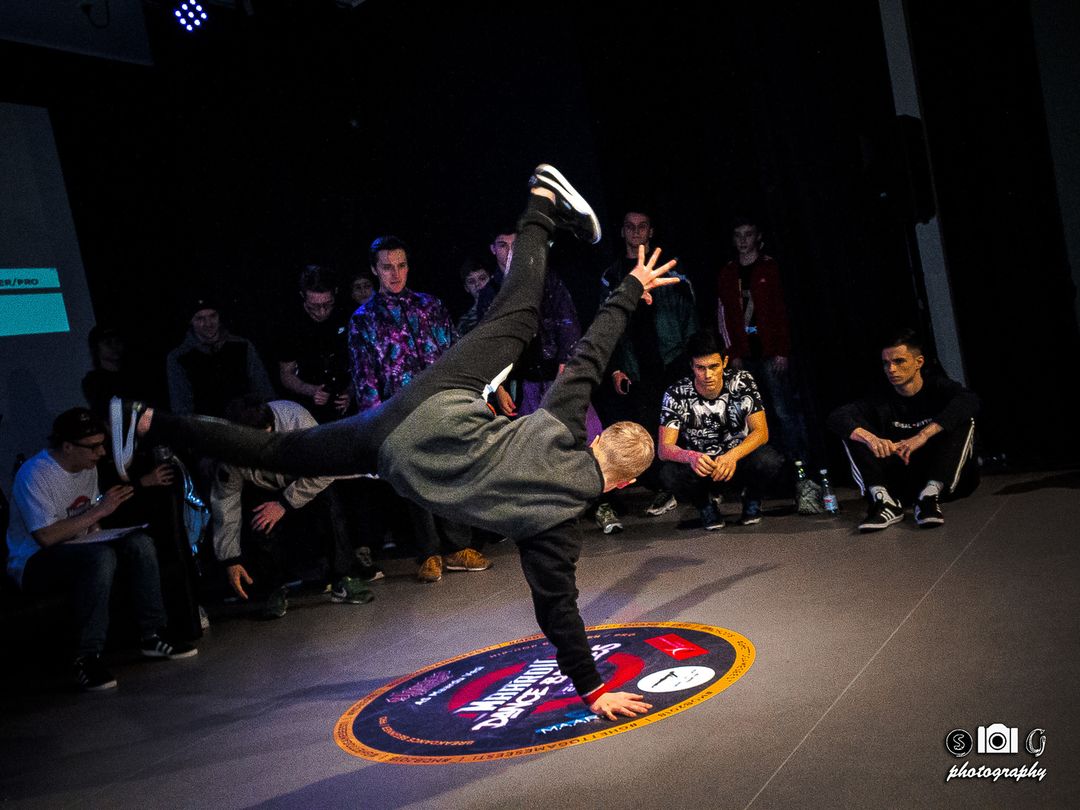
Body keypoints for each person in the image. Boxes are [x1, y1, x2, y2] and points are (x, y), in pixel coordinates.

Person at [113, 164, 677, 720]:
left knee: (518, 310)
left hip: (432, 396)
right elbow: (558, 612)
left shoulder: (562, 425)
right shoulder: (555, 529)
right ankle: (149, 422)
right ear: (624, 482)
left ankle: (541, 201)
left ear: (598, 439)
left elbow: (591, 352)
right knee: (276, 453)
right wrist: (593, 690)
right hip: (388, 447)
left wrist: (631, 286)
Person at [6, 408, 196, 691]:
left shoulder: (87, 467)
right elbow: (46, 536)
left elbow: (87, 519)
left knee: (139, 543)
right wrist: (100, 512)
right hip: (34, 560)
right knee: (100, 557)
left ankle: (153, 634)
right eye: (93, 447)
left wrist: (101, 530)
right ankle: (87, 657)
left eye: (102, 444)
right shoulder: (34, 474)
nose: (101, 452)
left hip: (78, 545)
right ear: (67, 447)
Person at [350, 235, 490, 583]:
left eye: (401, 266)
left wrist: (465, 394)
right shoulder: (364, 320)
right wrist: (375, 422)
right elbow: (365, 376)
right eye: (387, 267)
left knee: (451, 470)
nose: (395, 274)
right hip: (399, 413)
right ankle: (428, 551)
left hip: (440, 403)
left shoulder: (429, 305)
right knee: (415, 481)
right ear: (375, 270)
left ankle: (458, 545)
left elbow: (453, 351)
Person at [210, 397, 373, 618]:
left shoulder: (297, 421)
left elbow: (326, 468)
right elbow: (225, 501)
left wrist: (284, 503)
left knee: (330, 505)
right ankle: (273, 589)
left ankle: (343, 577)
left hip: (305, 479)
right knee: (259, 520)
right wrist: (230, 558)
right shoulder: (230, 451)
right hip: (263, 486)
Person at [827, 329, 979, 531]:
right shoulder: (880, 397)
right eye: (886, 363)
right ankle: (883, 501)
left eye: (899, 361)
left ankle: (929, 497)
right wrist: (871, 438)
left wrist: (923, 435)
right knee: (854, 432)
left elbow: (970, 400)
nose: (891, 369)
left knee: (963, 419)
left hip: (939, 475)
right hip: (901, 477)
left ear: (918, 362)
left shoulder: (937, 387)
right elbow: (837, 416)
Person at [600, 208, 698, 520]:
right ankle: (664, 488)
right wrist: (616, 366)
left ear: (651, 231)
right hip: (637, 364)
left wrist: (693, 357)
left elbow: (689, 315)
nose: (636, 232)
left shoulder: (670, 269)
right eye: (630, 226)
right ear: (622, 231)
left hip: (672, 358)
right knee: (648, 427)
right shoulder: (613, 275)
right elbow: (606, 324)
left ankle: (699, 485)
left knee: (685, 424)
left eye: (642, 226)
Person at [657, 331, 785, 529]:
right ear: (691, 366)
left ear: (724, 362)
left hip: (738, 460)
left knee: (769, 459)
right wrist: (691, 456)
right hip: (703, 466)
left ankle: (752, 498)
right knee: (669, 472)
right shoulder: (676, 394)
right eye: (700, 368)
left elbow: (761, 432)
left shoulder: (741, 381)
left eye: (713, 366)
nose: (708, 375)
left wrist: (732, 456)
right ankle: (705, 505)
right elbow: (664, 448)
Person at [716, 217, 809, 462]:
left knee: (783, 409)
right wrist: (732, 353)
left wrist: (783, 351)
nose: (743, 240)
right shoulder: (728, 273)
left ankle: (798, 461)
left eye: (748, 234)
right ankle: (768, 464)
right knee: (753, 412)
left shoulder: (770, 268)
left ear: (758, 237)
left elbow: (782, 311)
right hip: (744, 355)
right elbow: (723, 315)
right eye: (738, 235)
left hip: (771, 352)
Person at [166, 295, 275, 418]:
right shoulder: (179, 357)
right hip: (207, 427)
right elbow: (181, 408)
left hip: (247, 424)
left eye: (212, 316)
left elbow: (263, 388)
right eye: (200, 318)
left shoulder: (242, 346)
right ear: (191, 321)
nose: (208, 323)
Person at [275, 264, 353, 424]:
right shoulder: (290, 324)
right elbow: (286, 374)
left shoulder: (347, 314)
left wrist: (351, 391)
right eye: (314, 306)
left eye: (328, 304)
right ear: (302, 296)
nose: (322, 311)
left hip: (345, 403)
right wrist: (311, 390)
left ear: (335, 292)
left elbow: (363, 363)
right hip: (307, 407)